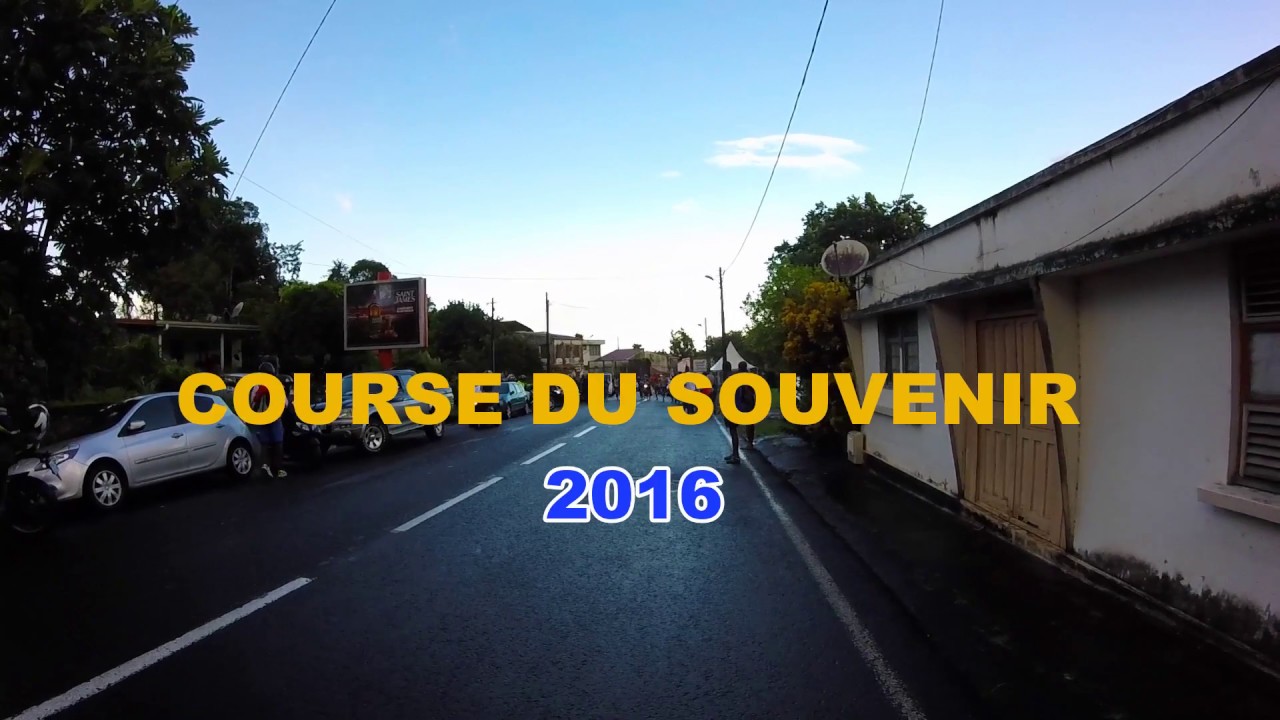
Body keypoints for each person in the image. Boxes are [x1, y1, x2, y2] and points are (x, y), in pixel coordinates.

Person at [249, 362, 287, 479]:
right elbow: (285, 404)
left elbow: (251, 403)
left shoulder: (256, 386)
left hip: (262, 418)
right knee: (278, 442)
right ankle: (278, 468)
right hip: (274, 418)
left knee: (264, 443)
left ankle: (265, 467)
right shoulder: (276, 385)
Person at [724, 361, 757, 465]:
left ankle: (735, 455)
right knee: (750, 424)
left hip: (737, 405)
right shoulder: (750, 377)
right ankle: (749, 444)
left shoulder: (734, 377)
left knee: (733, 430)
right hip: (749, 403)